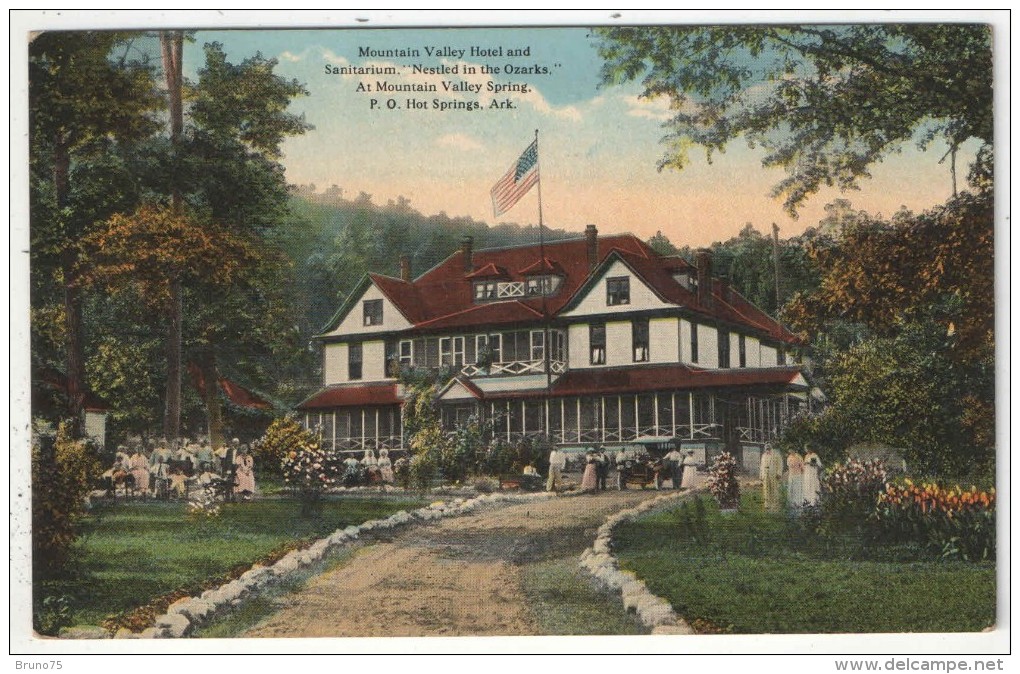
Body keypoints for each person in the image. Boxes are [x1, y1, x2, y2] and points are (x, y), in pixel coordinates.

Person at [760, 443, 784, 512]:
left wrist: (779, 473)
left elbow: (780, 464)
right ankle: (767, 504)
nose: (767, 450)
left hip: (773, 473)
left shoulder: (776, 454)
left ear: (771, 448)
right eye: (766, 448)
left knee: (774, 488)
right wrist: (761, 475)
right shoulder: (764, 455)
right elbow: (761, 465)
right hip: (765, 473)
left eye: (768, 448)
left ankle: (775, 505)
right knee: (766, 489)